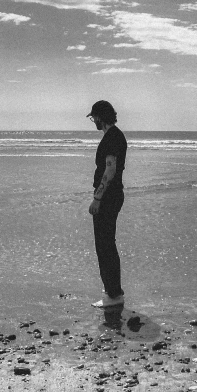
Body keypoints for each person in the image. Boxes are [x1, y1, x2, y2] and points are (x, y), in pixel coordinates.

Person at [87, 100, 127, 308]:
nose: (93, 121)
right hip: (112, 195)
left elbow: (110, 170)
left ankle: (113, 294)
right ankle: (113, 290)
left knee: (105, 245)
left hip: (108, 197)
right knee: (106, 244)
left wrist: (97, 198)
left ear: (101, 117)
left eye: (94, 117)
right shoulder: (114, 136)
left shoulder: (112, 137)